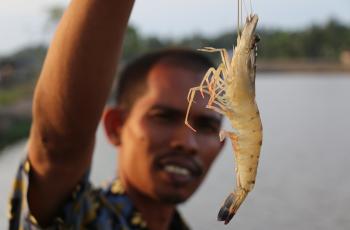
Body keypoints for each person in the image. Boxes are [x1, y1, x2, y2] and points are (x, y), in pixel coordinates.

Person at [8, 0, 225, 229]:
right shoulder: (84, 219)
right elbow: (58, 145)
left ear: (221, 146)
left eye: (206, 126)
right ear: (116, 125)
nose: (187, 142)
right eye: (164, 117)